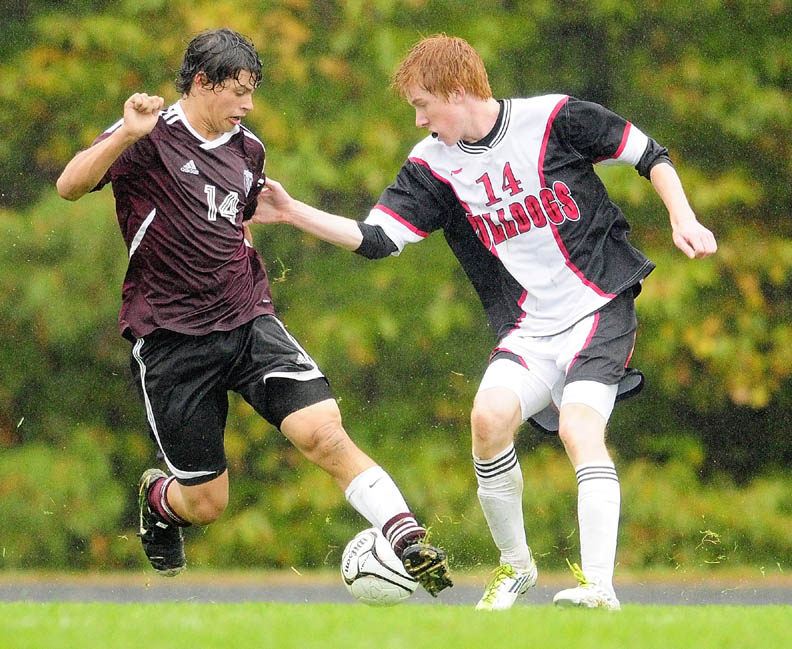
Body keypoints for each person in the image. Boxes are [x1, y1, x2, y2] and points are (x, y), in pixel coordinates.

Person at [252, 34, 717, 610]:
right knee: (488, 419)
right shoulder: (433, 164)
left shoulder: (553, 119)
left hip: (599, 307)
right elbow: (376, 240)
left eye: (425, 104)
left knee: (578, 428)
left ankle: (599, 586)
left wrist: (683, 218)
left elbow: (650, 154)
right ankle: (516, 568)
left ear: (458, 91)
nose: (420, 118)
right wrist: (292, 211)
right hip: (529, 325)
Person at [55, 28, 452, 597]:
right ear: (201, 83)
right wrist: (125, 134)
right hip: (171, 340)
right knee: (207, 502)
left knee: (324, 433)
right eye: (238, 91)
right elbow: (70, 186)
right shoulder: (148, 136)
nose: (248, 104)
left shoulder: (249, 150)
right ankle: (159, 501)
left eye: (252, 91)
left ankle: (407, 536)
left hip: (248, 321)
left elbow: (231, 227)